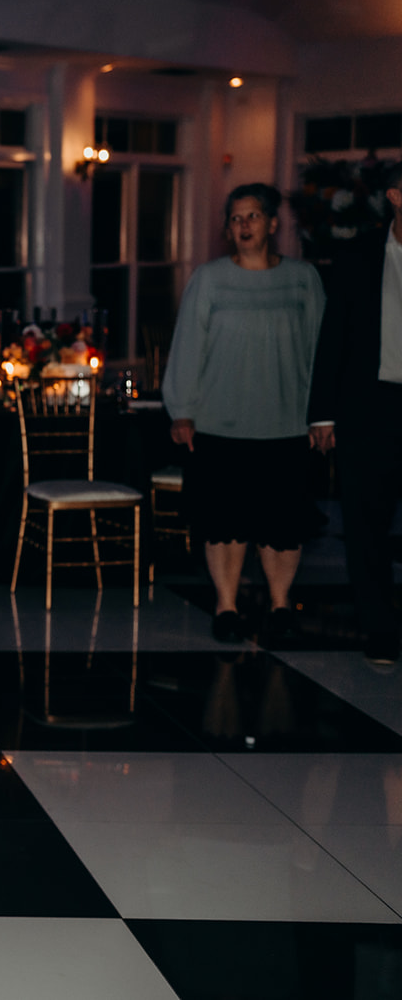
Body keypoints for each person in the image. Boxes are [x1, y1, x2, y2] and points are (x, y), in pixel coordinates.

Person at [165, 183, 325, 645]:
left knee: (283, 525)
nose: (244, 226)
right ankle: (227, 606)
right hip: (220, 424)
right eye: (235, 219)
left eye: (253, 217)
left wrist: (323, 416)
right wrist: (183, 411)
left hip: (288, 423)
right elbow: (188, 347)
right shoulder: (210, 279)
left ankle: (279, 605)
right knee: (224, 522)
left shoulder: (302, 279)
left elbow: (321, 351)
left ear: (273, 224)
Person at [308, 163, 402, 665]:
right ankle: (379, 631)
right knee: (366, 527)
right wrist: (322, 414)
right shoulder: (359, 256)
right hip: (370, 409)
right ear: (395, 196)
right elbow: (333, 339)